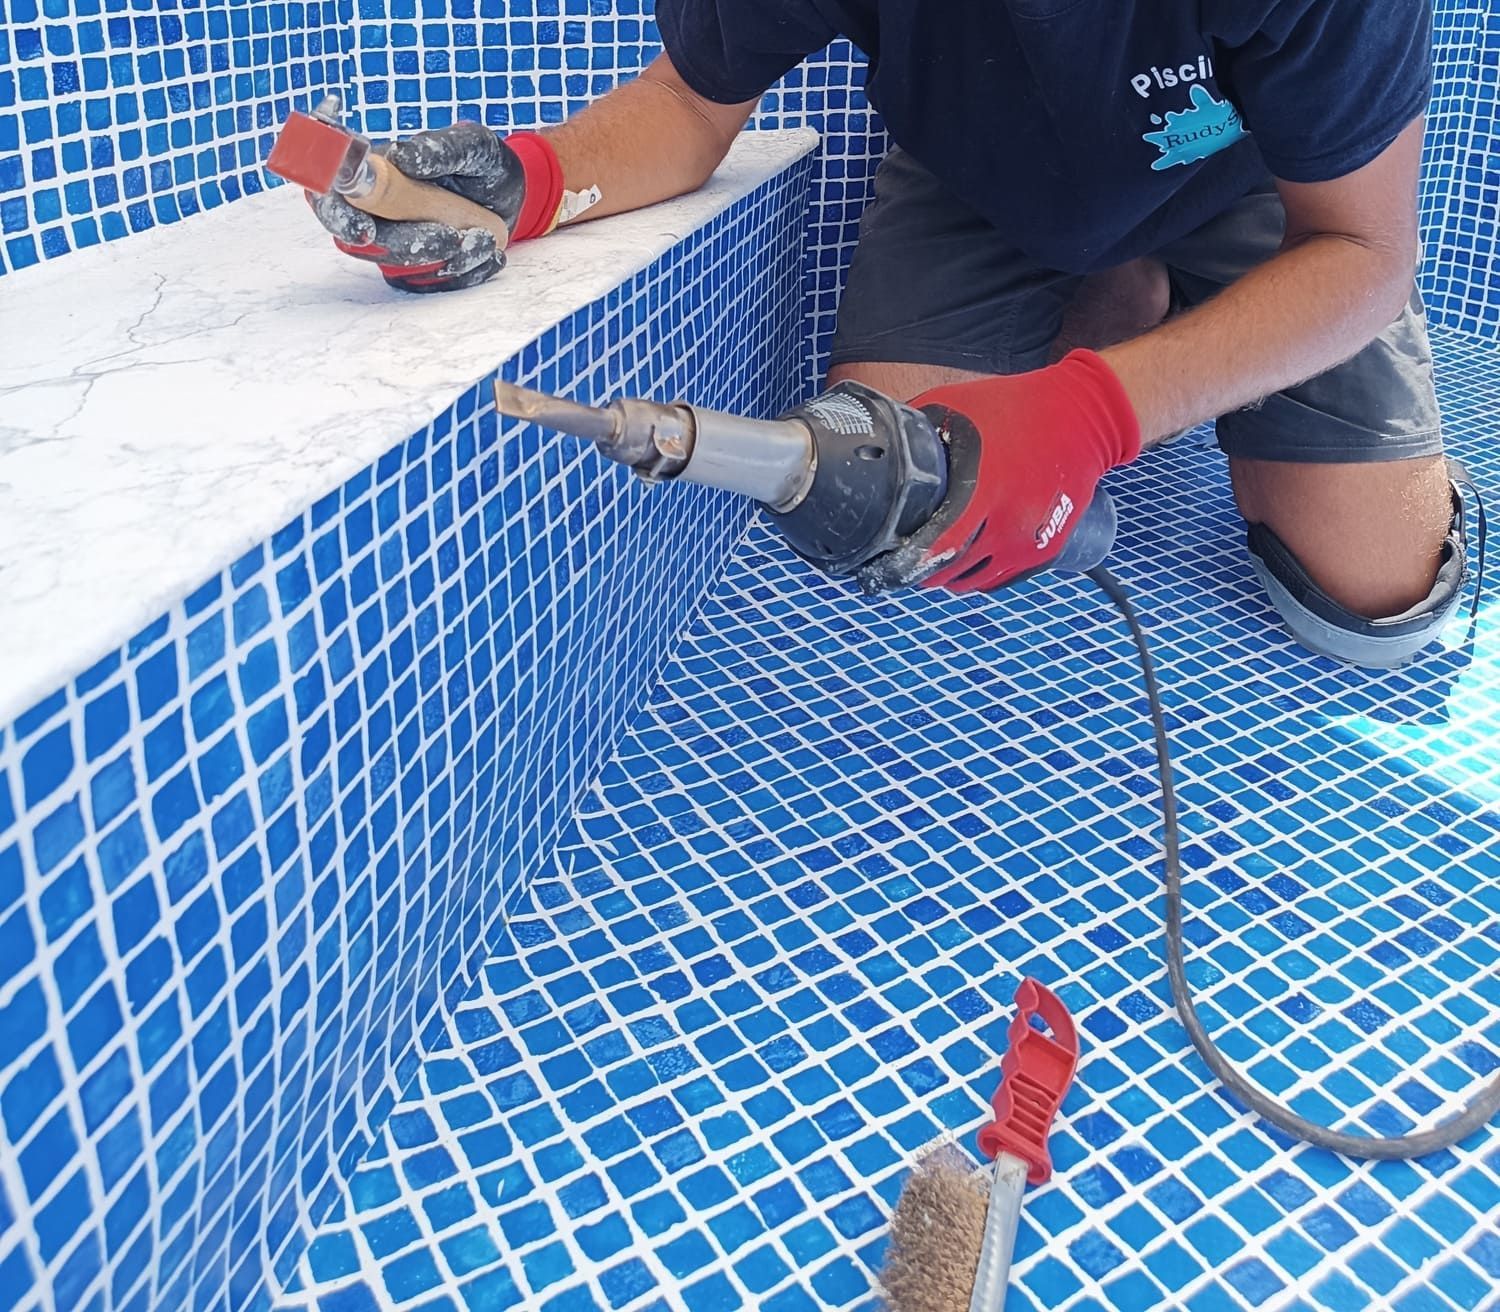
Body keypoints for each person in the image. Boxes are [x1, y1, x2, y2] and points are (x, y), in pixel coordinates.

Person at [308, 2, 1470, 669]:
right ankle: (1115, 291)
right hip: (988, 185)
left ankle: (1168, 331)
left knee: (1375, 613)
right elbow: (685, 105)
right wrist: (534, 178)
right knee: (898, 511)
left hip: (1261, 195)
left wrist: (1096, 411)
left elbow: (1366, 252)